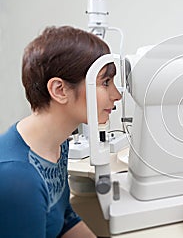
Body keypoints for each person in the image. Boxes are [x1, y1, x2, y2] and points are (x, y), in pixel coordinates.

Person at [0, 26, 122, 237]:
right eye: (105, 82)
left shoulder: (58, 143)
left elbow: (64, 218)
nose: (117, 94)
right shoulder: (17, 180)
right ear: (59, 90)